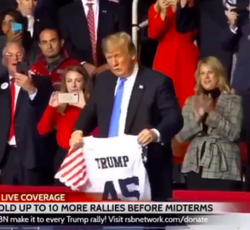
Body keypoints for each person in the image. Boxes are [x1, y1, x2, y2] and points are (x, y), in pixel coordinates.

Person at [70, 32, 183, 201]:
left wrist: (155, 133)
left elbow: (174, 118)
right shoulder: (103, 81)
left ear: (132, 54)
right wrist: (78, 130)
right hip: (108, 169)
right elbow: (90, 111)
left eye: (118, 56)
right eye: (109, 58)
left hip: (148, 169)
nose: (113, 63)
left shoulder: (157, 82)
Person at [176, 56, 243, 191]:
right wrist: (198, 117)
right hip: (195, 165)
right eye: (202, 73)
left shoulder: (234, 100)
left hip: (225, 167)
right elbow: (180, 136)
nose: (206, 77)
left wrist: (212, 113)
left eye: (210, 73)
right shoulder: (191, 101)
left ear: (219, 75)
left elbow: (234, 133)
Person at [0, 41, 52, 185]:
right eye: (10, 55)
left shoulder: (41, 83)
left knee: (31, 201)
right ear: (4, 60)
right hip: (5, 156)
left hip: (31, 155)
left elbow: (46, 113)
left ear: (25, 58)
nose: (15, 59)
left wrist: (32, 91)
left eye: (19, 55)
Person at [38, 65, 93, 185]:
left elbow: (100, 129)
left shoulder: (93, 104)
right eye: (69, 81)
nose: (73, 85)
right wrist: (51, 108)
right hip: (63, 157)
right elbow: (42, 130)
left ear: (84, 82)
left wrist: (86, 107)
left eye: (78, 80)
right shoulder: (60, 105)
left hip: (86, 157)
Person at [58, 0, 130, 75]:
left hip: (111, 70)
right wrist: (83, 63)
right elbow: (67, 43)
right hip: (80, 72)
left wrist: (108, 65)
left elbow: (124, 41)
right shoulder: (66, 12)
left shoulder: (115, 9)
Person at [148, 0, 198, 107]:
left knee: (189, 95)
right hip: (165, 57)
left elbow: (192, 31)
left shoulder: (190, 4)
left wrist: (181, 8)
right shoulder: (157, 6)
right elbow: (153, 33)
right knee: (164, 95)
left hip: (187, 56)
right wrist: (164, 13)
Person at [175, 0, 235, 78]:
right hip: (215, 64)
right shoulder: (203, 3)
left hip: (244, 60)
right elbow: (183, 26)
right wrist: (184, 4)